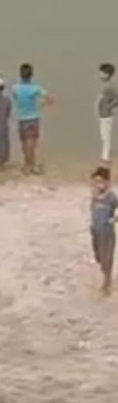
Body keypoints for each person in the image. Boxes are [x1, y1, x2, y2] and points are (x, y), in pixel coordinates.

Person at [12, 63, 53, 175]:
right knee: (32, 143)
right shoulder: (35, 88)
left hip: (21, 118)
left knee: (24, 143)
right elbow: (50, 99)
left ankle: (26, 165)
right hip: (33, 117)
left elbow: (15, 98)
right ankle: (32, 165)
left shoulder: (16, 88)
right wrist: (41, 105)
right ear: (31, 75)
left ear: (20, 75)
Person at [91, 167, 117, 295]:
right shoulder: (95, 196)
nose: (98, 184)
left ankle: (107, 283)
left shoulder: (111, 197)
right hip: (96, 231)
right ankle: (105, 274)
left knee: (107, 257)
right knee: (99, 257)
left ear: (107, 182)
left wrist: (114, 219)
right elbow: (93, 211)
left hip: (107, 232)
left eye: (100, 181)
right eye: (96, 182)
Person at [97, 63, 118, 164]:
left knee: (106, 137)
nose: (99, 74)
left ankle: (105, 157)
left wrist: (109, 107)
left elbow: (117, 99)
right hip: (103, 115)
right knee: (103, 136)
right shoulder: (105, 86)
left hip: (106, 116)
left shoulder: (109, 87)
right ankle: (105, 155)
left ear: (107, 74)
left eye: (101, 73)